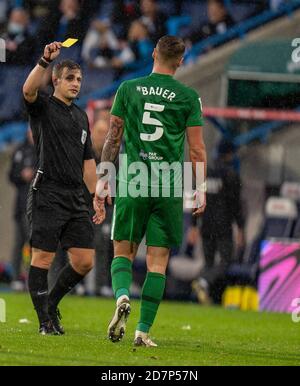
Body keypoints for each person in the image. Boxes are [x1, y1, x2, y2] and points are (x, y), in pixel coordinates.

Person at [94, 35, 207, 347]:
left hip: (133, 180)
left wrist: (103, 181)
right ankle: (142, 332)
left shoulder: (128, 88)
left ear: (154, 53)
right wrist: (199, 189)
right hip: (169, 185)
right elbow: (197, 151)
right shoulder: (188, 96)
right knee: (158, 262)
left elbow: (113, 138)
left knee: (123, 252)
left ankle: (121, 298)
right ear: (181, 61)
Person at [23, 41, 102, 335]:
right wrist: (44, 60)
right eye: (70, 78)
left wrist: (95, 197)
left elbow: (88, 161)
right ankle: (45, 322)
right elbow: (28, 91)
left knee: (84, 261)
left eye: (79, 79)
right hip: (48, 192)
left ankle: (51, 303)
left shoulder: (81, 116)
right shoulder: (43, 106)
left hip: (75, 196)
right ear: (56, 80)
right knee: (43, 258)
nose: (76, 84)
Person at [191, 140, 245, 304]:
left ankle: (209, 297)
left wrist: (193, 226)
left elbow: (196, 200)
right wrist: (241, 229)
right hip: (223, 227)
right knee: (225, 262)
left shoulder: (205, 173)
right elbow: (236, 205)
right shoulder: (231, 175)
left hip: (206, 225)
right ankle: (203, 282)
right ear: (230, 154)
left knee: (208, 264)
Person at [8, 127, 36, 290]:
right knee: (18, 243)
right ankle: (15, 278)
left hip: (35, 206)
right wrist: (21, 175)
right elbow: (11, 175)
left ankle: (31, 278)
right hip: (20, 205)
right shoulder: (20, 150)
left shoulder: (41, 150)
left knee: (33, 243)